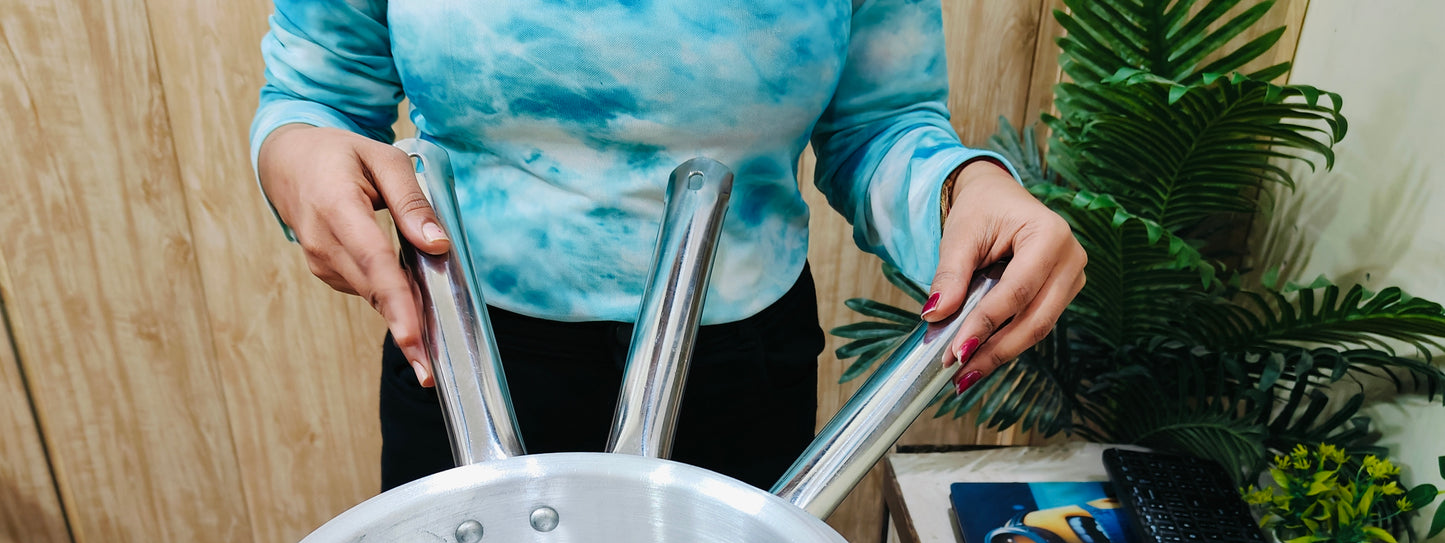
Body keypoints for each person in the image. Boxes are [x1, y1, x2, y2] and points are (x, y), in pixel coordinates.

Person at [252, 0, 1086, 492]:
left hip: (737, 373)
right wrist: (301, 157)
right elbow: (314, 92)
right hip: (464, 355)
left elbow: (878, 122)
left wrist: (965, 189)